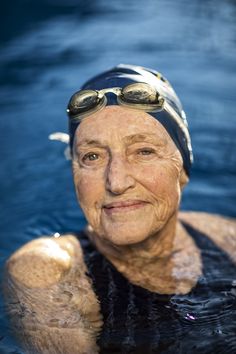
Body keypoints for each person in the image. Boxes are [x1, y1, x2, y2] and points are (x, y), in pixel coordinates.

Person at [4, 64, 236, 354]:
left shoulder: (228, 239)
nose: (116, 181)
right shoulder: (47, 271)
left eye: (143, 151)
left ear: (183, 171)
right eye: (92, 156)